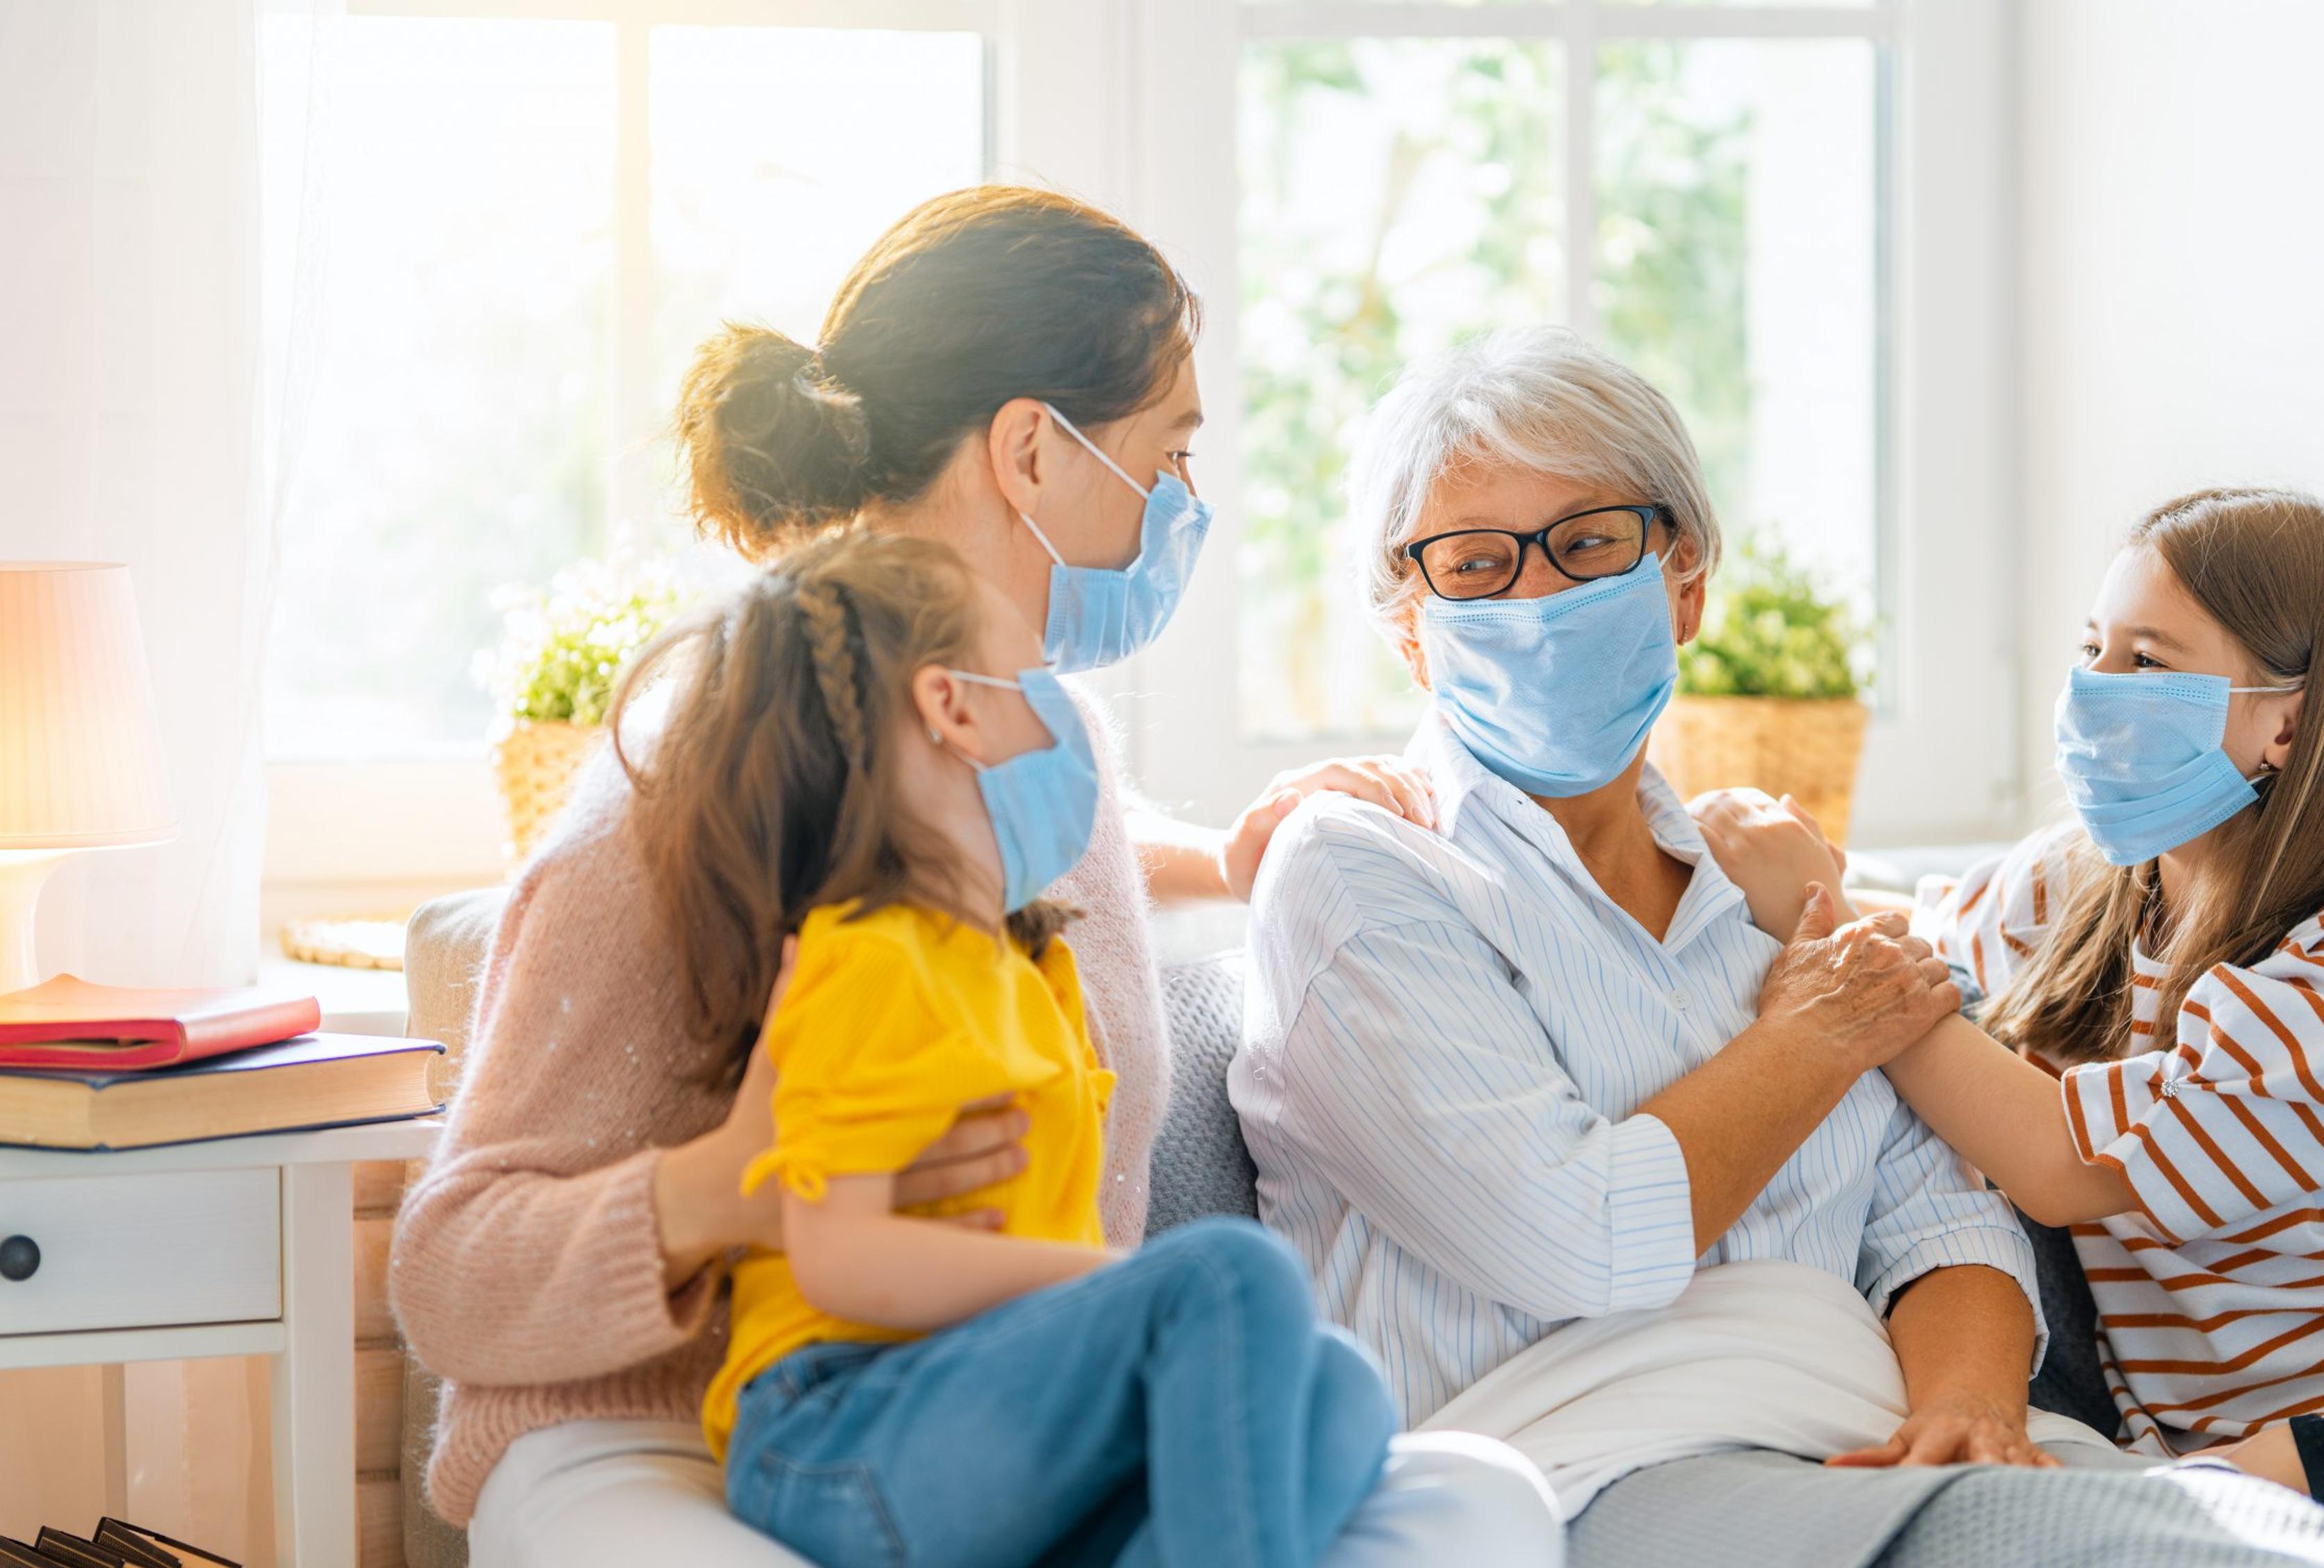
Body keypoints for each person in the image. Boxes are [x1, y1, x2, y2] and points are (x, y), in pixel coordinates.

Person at [391, 187, 1558, 1568]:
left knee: (1480, 1501)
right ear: (1030, 452)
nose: (1186, 504)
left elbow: (1038, 878)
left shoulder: (1039, 756)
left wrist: (1239, 856)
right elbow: (449, 1278)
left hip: (1018, 1417)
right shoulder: (709, 773)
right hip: (688, 1441)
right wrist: (732, 1191)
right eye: (1168, 453)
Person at [1727, 489, 2324, 1534]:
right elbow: (1925, 934)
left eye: (2147, 663)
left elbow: (2061, 1163)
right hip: (2251, 1469)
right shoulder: (2090, 883)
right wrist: (1780, 880)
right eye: (2092, 649)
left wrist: (1832, 942)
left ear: (2289, 721)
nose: (2091, 692)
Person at [1230, 324, 2072, 1480]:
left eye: (1586, 544)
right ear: (1408, 631)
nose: (1537, 597)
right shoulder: (1359, 875)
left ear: (1685, 587)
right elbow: (1583, 1237)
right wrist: (1813, 1036)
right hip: (1569, 1488)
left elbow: (1944, 1221)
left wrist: (1972, 1420)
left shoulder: (1767, 884)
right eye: (1476, 565)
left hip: (1863, 1449)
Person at [616, 528, 1398, 1567]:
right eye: (1035, 673)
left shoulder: (1029, 967)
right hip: (838, 1429)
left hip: (978, 1408)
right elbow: (839, 1256)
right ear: (955, 706)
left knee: (1344, 1388)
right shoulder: (871, 953)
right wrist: (1108, 1284)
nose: (1067, 715)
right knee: (1228, 1276)